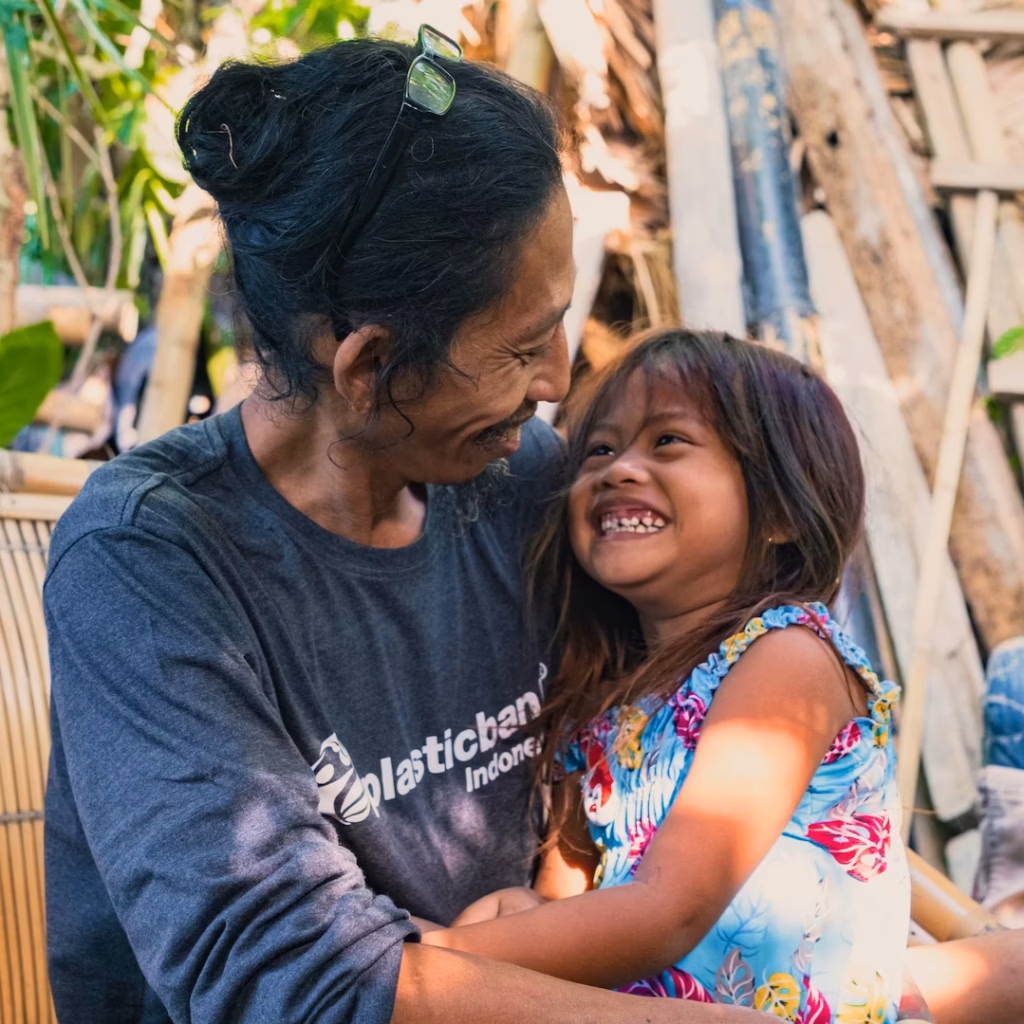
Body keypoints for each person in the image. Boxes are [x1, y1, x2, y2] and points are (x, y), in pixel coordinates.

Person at [41, 28, 1022, 1024]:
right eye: (521, 347)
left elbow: (724, 782)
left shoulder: (516, 484)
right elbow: (295, 988)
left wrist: (953, 944)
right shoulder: (149, 563)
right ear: (371, 367)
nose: (559, 383)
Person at [417, 330, 911, 1021]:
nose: (617, 470)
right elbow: (579, 905)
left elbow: (667, 912)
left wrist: (417, 967)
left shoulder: (786, 657)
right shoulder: (603, 700)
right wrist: (525, 911)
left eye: (668, 442)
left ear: (779, 514)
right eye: (600, 449)